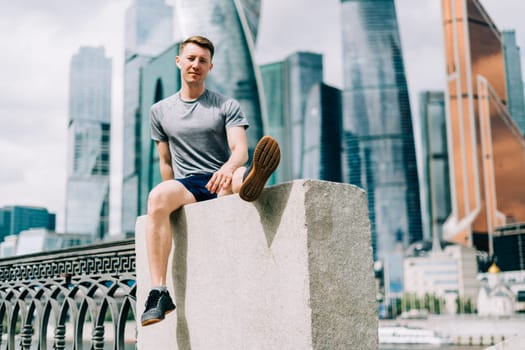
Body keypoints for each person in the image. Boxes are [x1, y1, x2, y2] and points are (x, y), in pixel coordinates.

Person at [141, 35, 280, 327]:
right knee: (157, 197)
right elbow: (165, 162)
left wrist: (229, 168)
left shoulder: (226, 106)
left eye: (203, 61)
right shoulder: (160, 112)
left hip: (223, 177)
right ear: (179, 62)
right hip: (189, 185)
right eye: (191, 59)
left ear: (210, 67)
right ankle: (158, 293)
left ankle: (252, 182)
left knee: (239, 175)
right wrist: (172, 199)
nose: (196, 65)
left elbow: (240, 150)